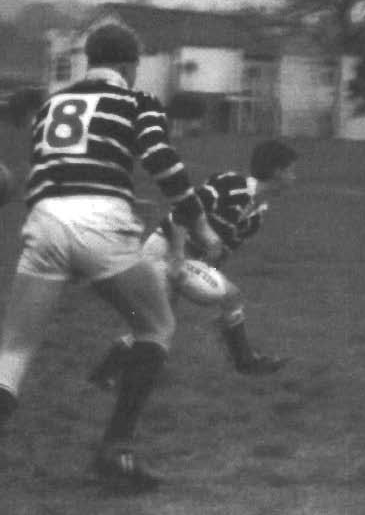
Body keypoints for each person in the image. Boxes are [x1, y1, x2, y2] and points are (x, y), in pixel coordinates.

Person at [0, 24, 223, 489]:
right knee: (156, 326)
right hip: (100, 222)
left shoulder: (52, 105)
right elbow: (163, 161)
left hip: (43, 222)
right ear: (128, 65)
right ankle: (115, 452)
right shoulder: (136, 102)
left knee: (14, 351)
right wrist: (200, 225)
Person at [88, 140, 298, 389]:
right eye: (291, 170)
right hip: (164, 249)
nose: (295, 177)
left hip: (188, 258)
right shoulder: (231, 185)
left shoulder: (256, 216)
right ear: (277, 171)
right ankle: (106, 374)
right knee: (159, 324)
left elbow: (220, 253)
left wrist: (207, 277)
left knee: (229, 297)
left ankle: (245, 361)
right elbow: (181, 213)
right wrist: (177, 258)